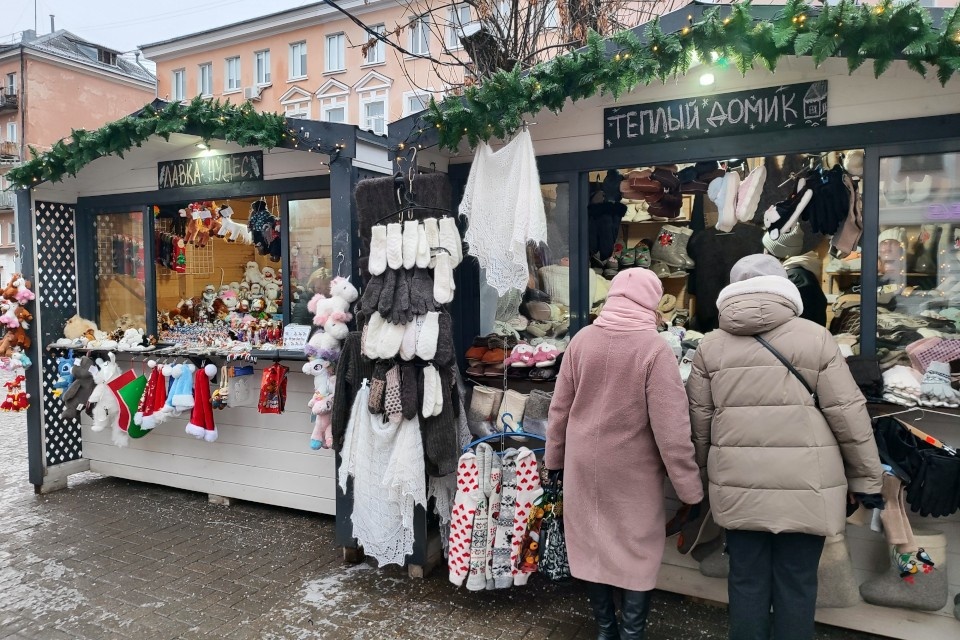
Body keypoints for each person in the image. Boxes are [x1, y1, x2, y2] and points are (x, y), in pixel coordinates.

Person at [686, 254, 883, 640]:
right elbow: (849, 416)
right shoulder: (815, 337)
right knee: (797, 585)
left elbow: (700, 425)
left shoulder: (710, 347)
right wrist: (867, 479)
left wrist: (707, 475)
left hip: (738, 485)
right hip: (806, 486)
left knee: (745, 583)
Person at [546, 268, 703, 640]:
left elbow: (559, 410)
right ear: (651, 301)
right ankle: (631, 634)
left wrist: (554, 460)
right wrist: (689, 490)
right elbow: (673, 430)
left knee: (593, 543)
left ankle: (606, 630)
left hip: (583, 463)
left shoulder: (583, 340)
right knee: (637, 549)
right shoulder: (654, 349)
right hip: (633, 470)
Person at [761, 226, 828, 326]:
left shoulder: (795, 279)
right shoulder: (797, 273)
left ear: (773, 253)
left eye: (766, 250)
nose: (763, 253)